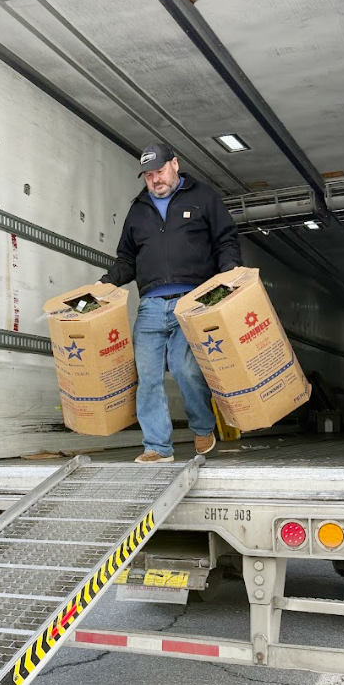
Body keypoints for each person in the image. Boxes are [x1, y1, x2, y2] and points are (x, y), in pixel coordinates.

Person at [98, 142, 242, 463]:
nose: (155, 180)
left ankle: (203, 427)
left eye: (159, 172)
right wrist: (106, 283)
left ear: (175, 164)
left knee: (185, 368)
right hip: (150, 306)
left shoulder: (203, 197)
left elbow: (225, 239)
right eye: (148, 175)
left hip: (191, 304)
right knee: (147, 378)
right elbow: (127, 258)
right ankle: (157, 447)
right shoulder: (138, 210)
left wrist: (230, 272)